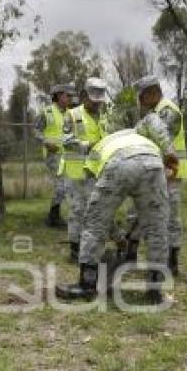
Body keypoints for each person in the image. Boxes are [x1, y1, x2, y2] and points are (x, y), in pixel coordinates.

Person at [56, 129, 169, 304]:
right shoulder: (136, 138)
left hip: (121, 163)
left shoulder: (96, 152)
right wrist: (127, 236)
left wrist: (117, 238)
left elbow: (96, 212)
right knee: (156, 228)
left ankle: (87, 285)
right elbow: (147, 215)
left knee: (94, 223)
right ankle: (155, 290)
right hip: (154, 161)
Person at [126, 75, 186, 275]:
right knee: (137, 210)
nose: (140, 100)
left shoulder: (167, 111)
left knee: (170, 217)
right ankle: (130, 253)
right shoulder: (153, 113)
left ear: (153, 93)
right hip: (151, 171)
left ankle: (172, 261)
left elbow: (161, 138)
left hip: (170, 173)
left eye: (142, 96)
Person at [62, 78, 110, 262]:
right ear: (84, 96)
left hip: (97, 172)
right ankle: (75, 249)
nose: (97, 103)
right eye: (93, 99)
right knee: (78, 211)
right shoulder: (72, 115)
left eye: (99, 100)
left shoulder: (104, 118)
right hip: (77, 172)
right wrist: (88, 145)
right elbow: (66, 141)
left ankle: (93, 248)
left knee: (96, 211)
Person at [34, 84, 71, 228]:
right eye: (67, 95)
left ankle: (53, 217)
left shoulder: (71, 114)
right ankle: (53, 217)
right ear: (59, 96)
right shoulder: (47, 112)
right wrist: (46, 142)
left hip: (68, 155)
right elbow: (36, 131)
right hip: (52, 155)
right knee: (61, 186)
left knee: (67, 186)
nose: (69, 98)